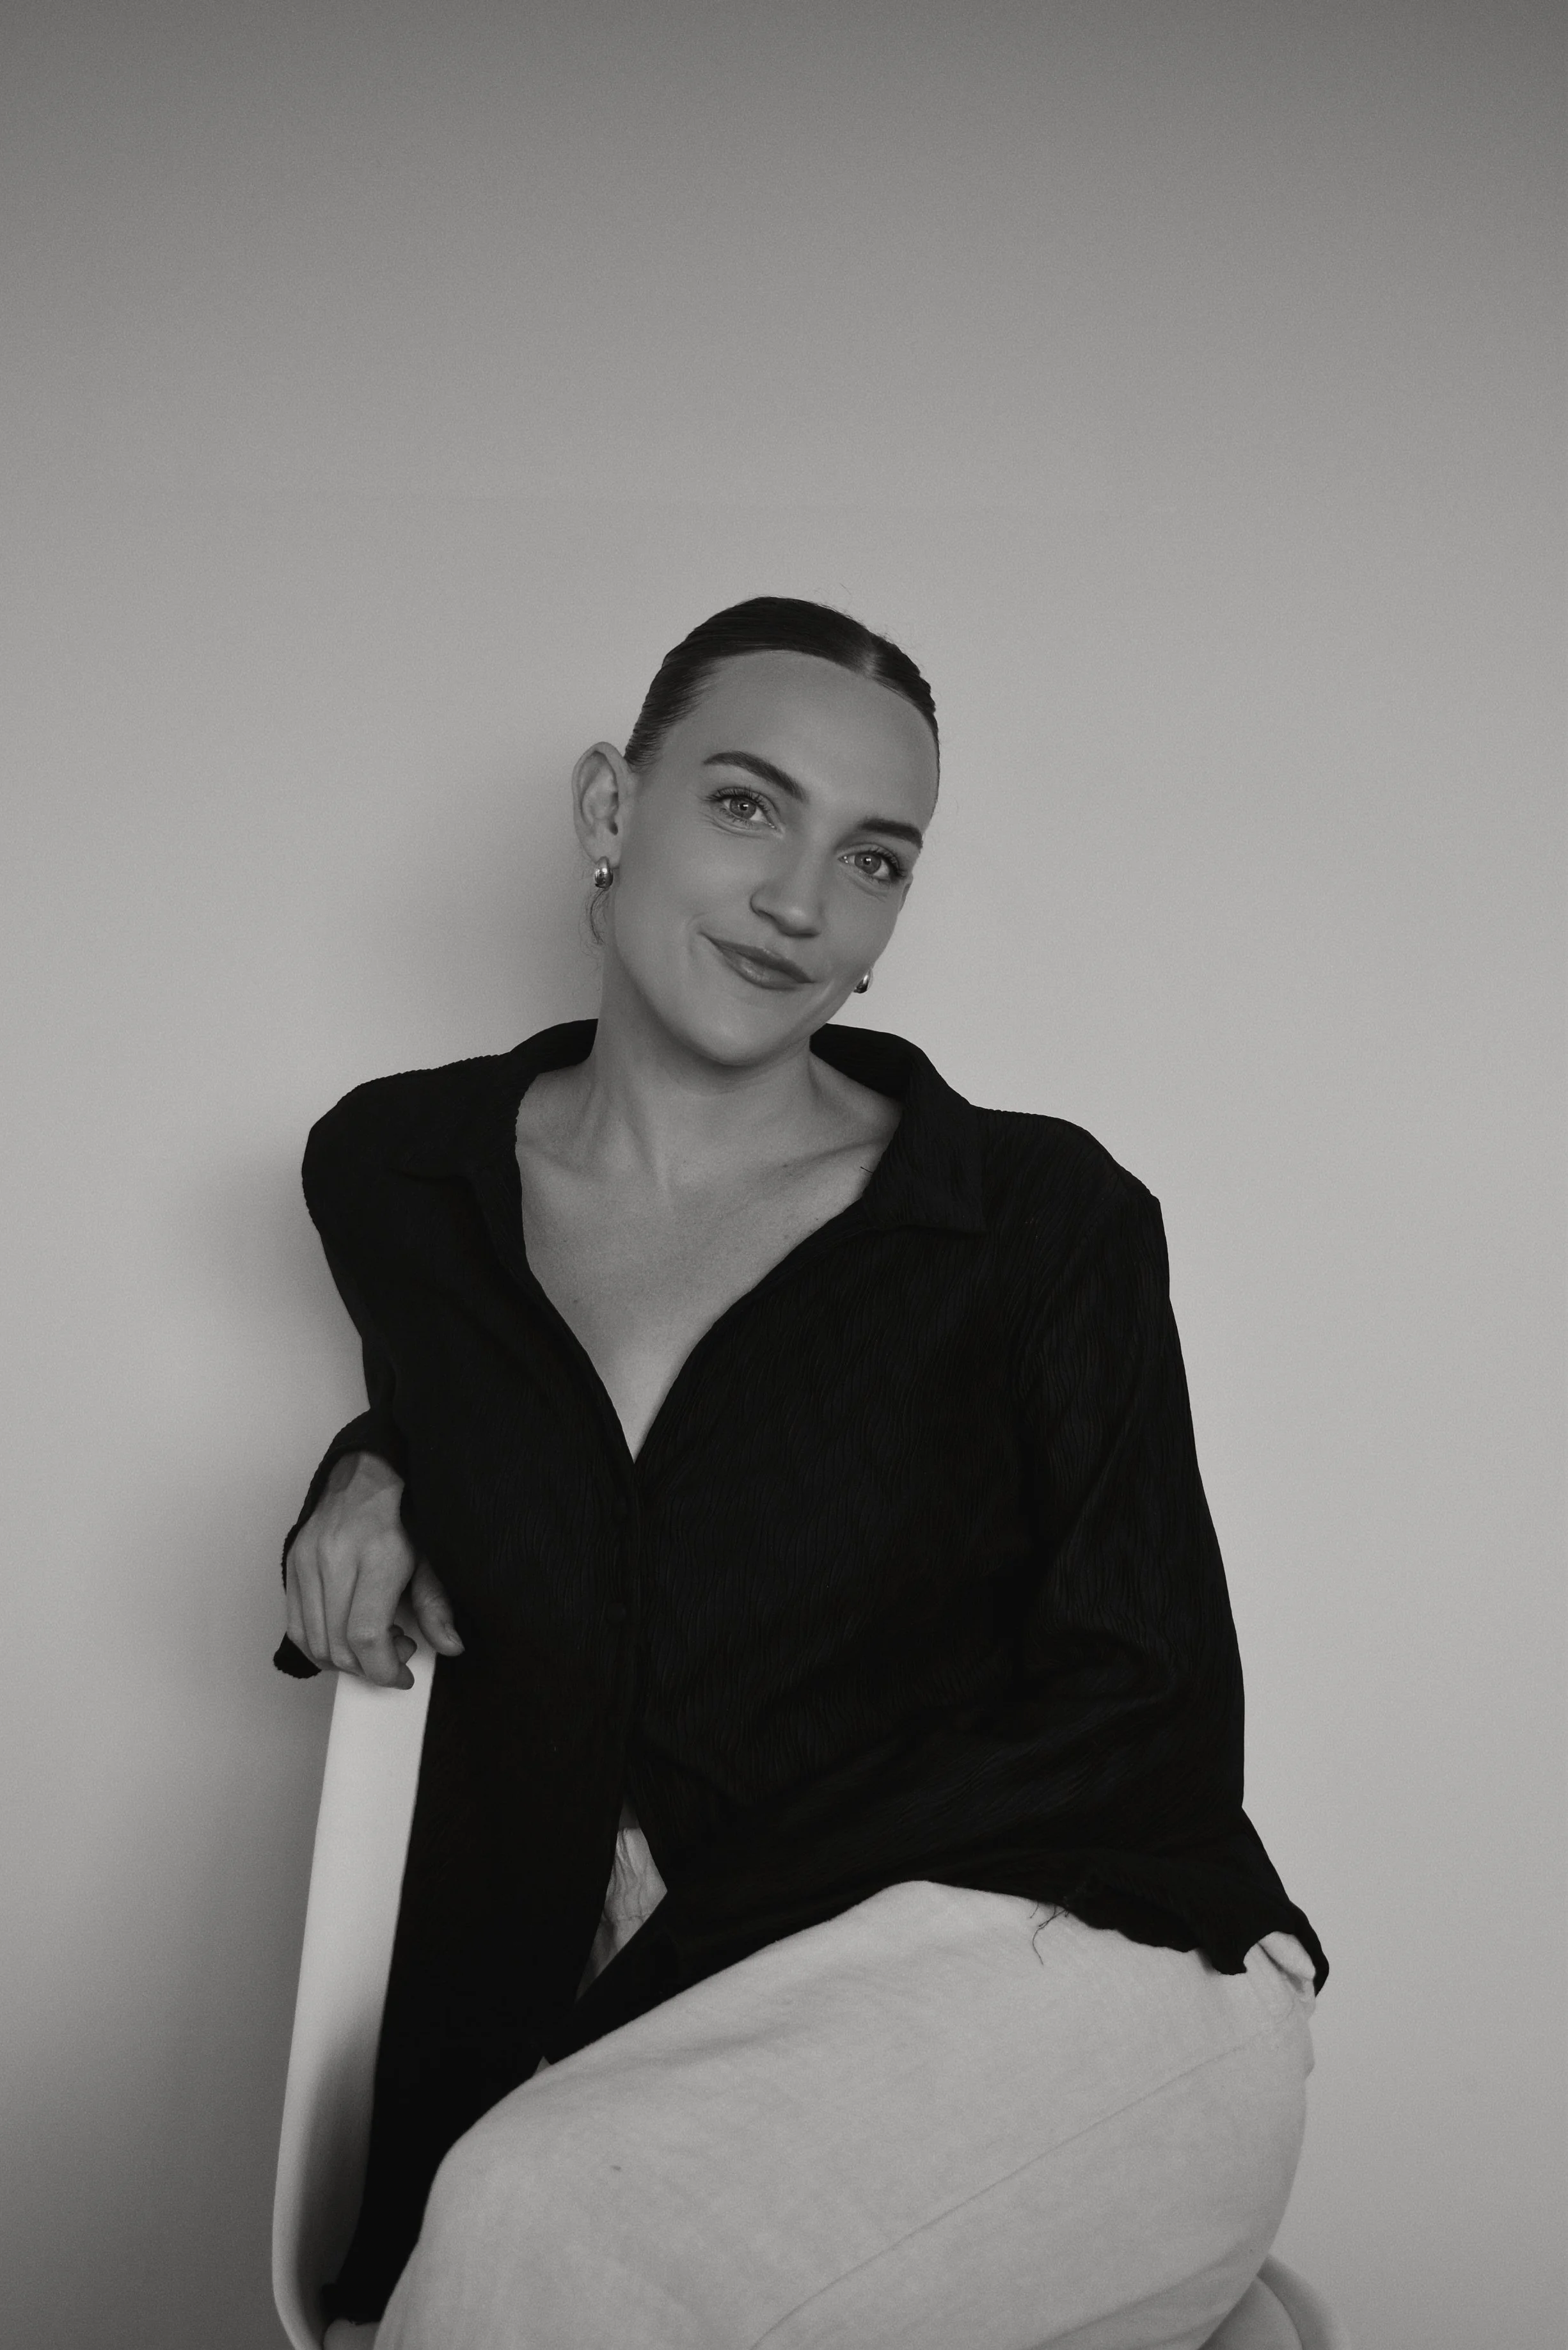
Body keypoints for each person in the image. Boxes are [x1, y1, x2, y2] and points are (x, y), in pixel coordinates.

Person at [277, 597, 1325, 2350]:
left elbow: (1147, 1710)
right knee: (523, 2231)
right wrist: (374, 1463)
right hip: (626, 2074)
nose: (800, 903)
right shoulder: (400, 1174)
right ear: (615, 809)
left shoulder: (1037, 1222)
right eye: (748, 807)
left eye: (877, 857)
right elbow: (564, 1468)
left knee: (538, 2223)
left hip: (1074, 1972)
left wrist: (693, 1954)